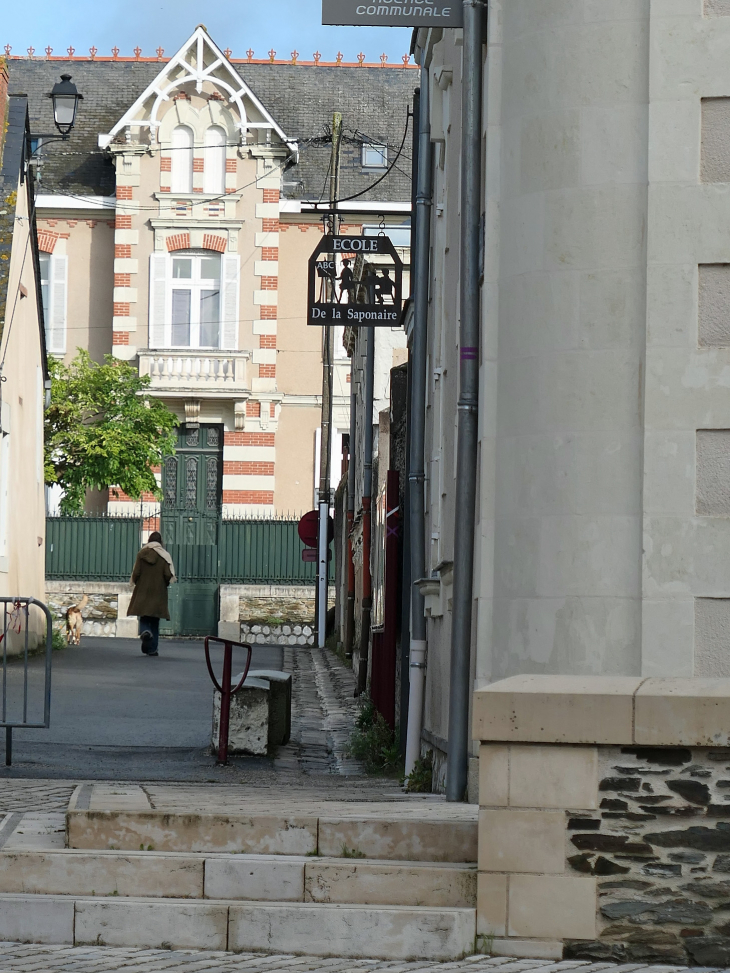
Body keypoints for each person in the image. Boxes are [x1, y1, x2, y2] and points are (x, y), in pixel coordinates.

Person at [126, 531, 176, 656]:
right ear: (160, 542)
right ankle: (152, 649)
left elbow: (136, 572)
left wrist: (137, 582)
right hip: (158, 592)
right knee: (155, 619)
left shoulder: (142, 553)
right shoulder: (165, 556)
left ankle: (145, 631)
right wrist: (164, 583)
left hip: (143, 590)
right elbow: (167, 575)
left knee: (144, 616)